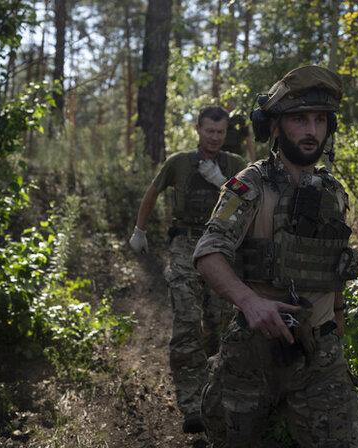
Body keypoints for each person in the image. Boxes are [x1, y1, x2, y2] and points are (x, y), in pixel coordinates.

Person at [192, 66, 358, 447]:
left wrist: (337, 322)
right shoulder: (250, 185)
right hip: (254, 350)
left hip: (318, 353)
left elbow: (334, 268)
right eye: (299, 119)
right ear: (274, 127)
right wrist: (251, 303)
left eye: (320, 120)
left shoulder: (333, 193)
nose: (311, 130)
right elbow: (208, 253)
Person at [129, 106, 248, 434]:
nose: (214, 137)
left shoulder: (236, 165)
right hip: (185, 244)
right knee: (186, 321)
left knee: (219, 325)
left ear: (225, 133)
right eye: (209, 131)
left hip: (221, 246)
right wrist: (140, 230)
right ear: (198, 129)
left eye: (220, 132)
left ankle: (215, 396)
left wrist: (223, 183)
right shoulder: (179, 162)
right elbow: (152, 192)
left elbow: (249, 203)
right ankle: (191, 404)